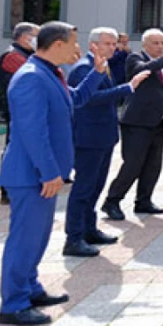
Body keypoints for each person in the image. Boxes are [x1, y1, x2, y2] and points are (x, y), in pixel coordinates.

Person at [0, 21, 107, 326]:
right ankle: (14, 304)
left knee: (36, 238)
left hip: (42, 175)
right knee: (24, 240)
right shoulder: (31, 78)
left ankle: (29, 289)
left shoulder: (50, 73)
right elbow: (33, 132)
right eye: (74, 42)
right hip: (31, 175)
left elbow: (75, 100)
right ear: (57, 44)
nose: (78, 48)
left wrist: (98, 74)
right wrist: (48, 172)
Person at [64, 28, 151, 257]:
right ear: (94, 44)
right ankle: (73, 238)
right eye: (108, 43)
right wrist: (128, 87)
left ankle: (89, 229)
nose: (113, 47)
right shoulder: (84, 68)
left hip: (102, 137)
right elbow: (88, 99)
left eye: (114, 44)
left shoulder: (103, 64)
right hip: (88, 139)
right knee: (83, 189)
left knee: (95, 187)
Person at [101, 29, 163, 220]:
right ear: (144, 44)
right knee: (133, 165)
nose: (160, 47)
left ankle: (143, 201)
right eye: (155, 43)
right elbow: (143, 70)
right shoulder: (135, 58)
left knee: (153, 165)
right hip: (137, 122)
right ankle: (112, 201)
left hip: (158, 123)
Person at [0, 22, 39, 206]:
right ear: (24, 37)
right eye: (37, 35)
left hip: (27, 112)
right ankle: (7, 189)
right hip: (18, 113)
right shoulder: (13, 56)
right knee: (14, 150)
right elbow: (33, 76)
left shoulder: (27, 55)